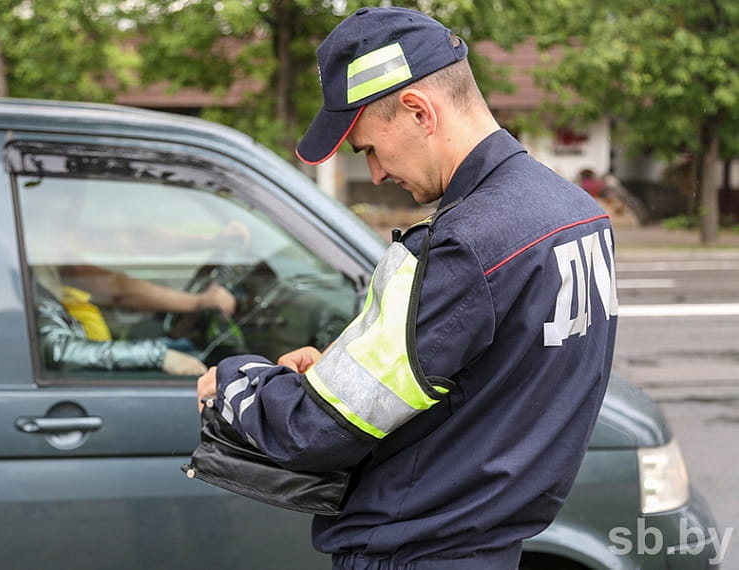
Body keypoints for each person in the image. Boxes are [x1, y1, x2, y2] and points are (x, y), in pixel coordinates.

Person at [196, 7, 618, 569]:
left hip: (413, 553)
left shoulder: (462, 247)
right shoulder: (574, 214)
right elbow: (484, 382)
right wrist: (335, 373)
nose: (373, 173)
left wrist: (233, 383)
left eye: (368, 147)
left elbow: (319, 429)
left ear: (419, 110)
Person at [34, 264, 235, 375]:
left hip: (95, 361)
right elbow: (61, 350)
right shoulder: (31, 276)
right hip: (79, 376)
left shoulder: (46, 256)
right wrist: (156, 356)